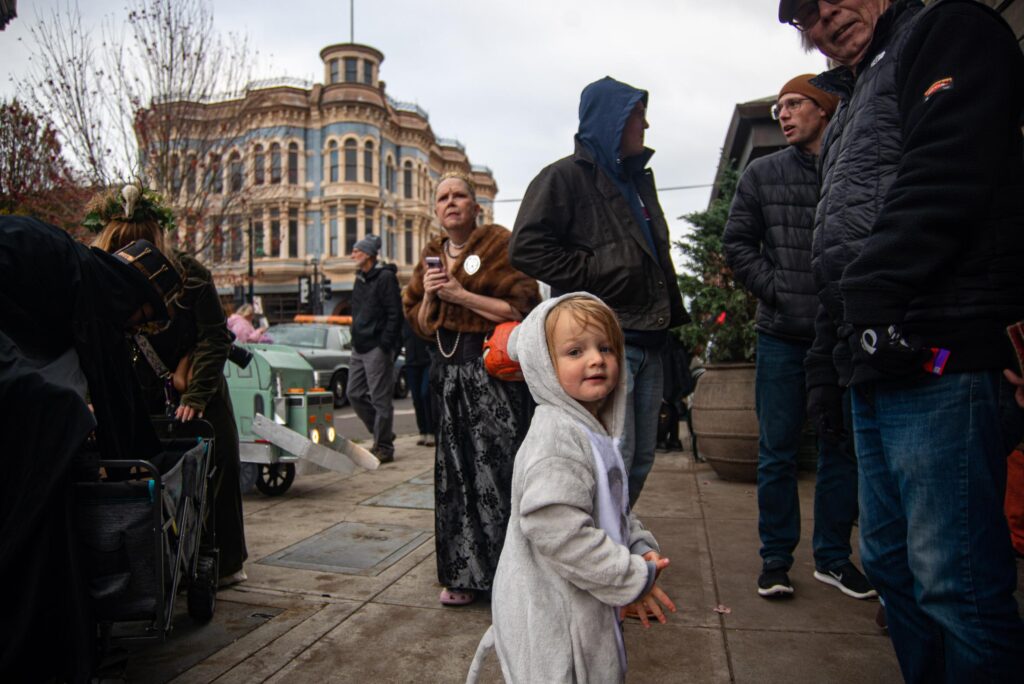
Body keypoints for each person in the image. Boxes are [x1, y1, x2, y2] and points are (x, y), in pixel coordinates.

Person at [780, 0, 1024, 679]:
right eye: (806, 14)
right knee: (891, 566)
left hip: (939, 349)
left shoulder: (948, 32)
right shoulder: (851, 103)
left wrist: (872, 297)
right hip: (872, 355)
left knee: (955, 583)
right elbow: (835, 250)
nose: (826, 15)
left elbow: (947, 172)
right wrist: (827, 365)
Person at [0, 216, 181, 681]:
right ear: (132, 296)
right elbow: (110, 396)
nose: (136, 327)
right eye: (142, 316)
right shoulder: (92, 295)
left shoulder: (85, 282)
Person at [466, 294, 675, 684]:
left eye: (606, 347)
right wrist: (627, 578)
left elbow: (611, 506)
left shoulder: (593, 432)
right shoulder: (555, 439)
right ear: (545, 365)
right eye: (575, 351)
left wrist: (637, 546)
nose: (596, 359)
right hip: (552, 618)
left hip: (581, 604)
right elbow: (558, 529)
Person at [722, 74, 873, 601]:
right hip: (782, 335)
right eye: (780, 107)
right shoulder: (763, 173)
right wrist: (778, 290)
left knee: (841, 449)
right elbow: (737, 243)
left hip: (842, 335)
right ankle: (775, 561)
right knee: (777, 452)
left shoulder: (853, 164)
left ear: (824, 109)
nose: (783, 114)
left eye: (794, 104)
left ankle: (832, 558)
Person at [511, 76, 689, 507]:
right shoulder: (563, 177)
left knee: (639, 460)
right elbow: (526, 247)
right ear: (613, 120)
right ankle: (593, 543)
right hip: (607, 341)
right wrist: (595, 272)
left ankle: (616, 536)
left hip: (650, 339)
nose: (646, 126)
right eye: (638, 116)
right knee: (610, 458)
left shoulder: (637, 181)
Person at [90, 184, 248, 587]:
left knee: (219, 467)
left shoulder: (191, 275)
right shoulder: (98, 280)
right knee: (147, 474)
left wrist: (196, 393)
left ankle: (223, 561)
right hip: (140, 392)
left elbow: (215, 336)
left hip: (199, 388)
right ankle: (155, 563)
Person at [403, 172, 540, 606]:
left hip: (491, 375)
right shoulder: (431, 253)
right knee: (455, 478)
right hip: (447, 376)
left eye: (459, 195)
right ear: (435, 209)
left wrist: (461, 295)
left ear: (475, 205)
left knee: (496, 473)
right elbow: (419, 323)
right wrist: (431, 297)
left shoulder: (498, 244)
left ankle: (510, 575)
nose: (450, 202)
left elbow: (522, 308)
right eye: (442, 197)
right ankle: (463, 575)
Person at [347, 233, 402, 463]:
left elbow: (395, 313)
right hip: (359, 346)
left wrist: (385, 344)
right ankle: (383, 433)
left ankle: (384, 447)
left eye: (356, 251)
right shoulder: (359, 278)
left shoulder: (385, 277)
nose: (352, 255)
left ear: (368, 254)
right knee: (353, 393)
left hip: (377, 347)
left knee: (380, 400)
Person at [401, 318, 436, 447]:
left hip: (428, 359)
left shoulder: (425, 311)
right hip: (411, 361)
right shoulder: (405, 316)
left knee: (425, 394)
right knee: (416, 397)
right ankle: (423, 431)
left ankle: (432, 432)